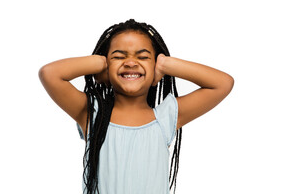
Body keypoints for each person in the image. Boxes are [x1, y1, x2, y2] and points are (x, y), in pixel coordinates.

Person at [38, 19, 234, 194]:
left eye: (142, 57)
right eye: (118, 56)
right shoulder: (91, 113)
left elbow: (222, 83)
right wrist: (99, 63)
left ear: (156, 64)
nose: (130, 62)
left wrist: (167, 65)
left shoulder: (164, 118)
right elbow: (50, 74)